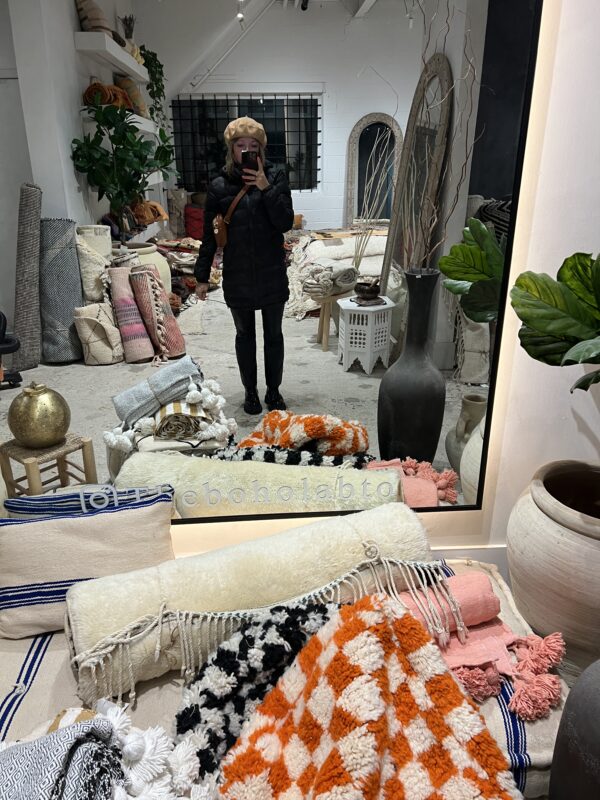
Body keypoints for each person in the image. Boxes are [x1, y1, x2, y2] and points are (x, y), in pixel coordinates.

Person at [194, 116, 294, 415]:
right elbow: (209, 235)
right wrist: (201, 276)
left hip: (271, 270)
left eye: (253, 145)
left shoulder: (276, 177)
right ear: (232, 149)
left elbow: (285, 222)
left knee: (273, 335)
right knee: (244, 336)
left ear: (261, 149)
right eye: (241, 145)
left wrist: (265, 187)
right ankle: (250, 392)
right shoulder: (218, 185)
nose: (247, 150)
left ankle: (273, 391)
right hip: (237, 273)